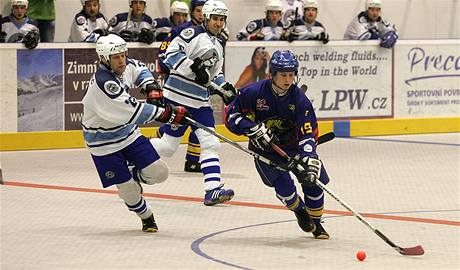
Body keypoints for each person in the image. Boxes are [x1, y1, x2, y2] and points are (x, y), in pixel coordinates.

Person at [82, 33, 189, 232]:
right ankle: (147, 216)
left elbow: (139, 68)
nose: (122, 59)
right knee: (128, 191)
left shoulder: (123, 65)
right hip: (102, 144)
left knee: (160, 172)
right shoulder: (104, 82)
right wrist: (167, 114)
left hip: (127, 135)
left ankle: (132, 173)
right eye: (116, 57)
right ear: (104, 59)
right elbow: (132, 111)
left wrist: (151, 87)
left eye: (123, 54)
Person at [225, 50, 331, 239]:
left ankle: (316, 223)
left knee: (314, 182)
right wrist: (252, 128)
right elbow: (231, 115)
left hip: (293, 147)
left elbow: (308, 132)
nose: (288, 79)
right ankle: (300, 211)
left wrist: (309, 156)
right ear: (271, 74)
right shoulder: (253, 92)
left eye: (291, 75)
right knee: (285, 188)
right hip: (266, 151)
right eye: (283, 75)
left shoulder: (299, 99)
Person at [150, 0, 236, 206]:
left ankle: (212, 190)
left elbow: (214, 75)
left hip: (200, 101)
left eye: (222, 19)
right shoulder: (191, 33)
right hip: (177, 98)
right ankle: (131, 155)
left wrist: (224, 88)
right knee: (168, 146)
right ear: (206, 18)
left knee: (210, 143)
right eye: (215, 18)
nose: (218, 23)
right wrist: (192, 68)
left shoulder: (219, 44)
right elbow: (170, 55)